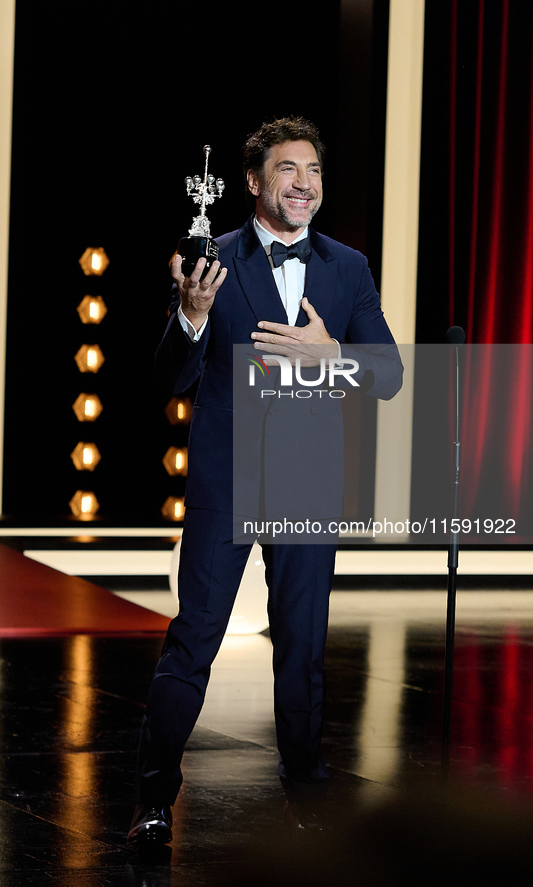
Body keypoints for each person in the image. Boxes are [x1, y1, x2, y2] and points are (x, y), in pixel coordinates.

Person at [127, 117, 402, 846]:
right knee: (193, 641)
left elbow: (389, 376)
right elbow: (169, 378)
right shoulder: (209, 258)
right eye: (287, 170)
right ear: (253, 181)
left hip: (309, 483)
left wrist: (330, 348)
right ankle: (152, 798)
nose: (303, 183)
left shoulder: (347, 266)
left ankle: (307, 798)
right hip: (227, 478)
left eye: (312, 169)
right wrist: (191, 314)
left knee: (303, 649)